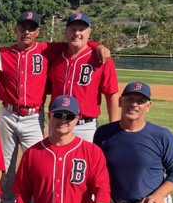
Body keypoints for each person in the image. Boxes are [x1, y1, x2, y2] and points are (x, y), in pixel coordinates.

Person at [0, 11, 110, 203]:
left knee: (40, 166)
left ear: (38, 31)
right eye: (23, 27)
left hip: (34, 115)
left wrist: (97, 45)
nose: (26, 31)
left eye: (31, 28)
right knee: (7, 166)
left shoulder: (48, 49)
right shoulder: (3, 52)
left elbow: (77, 41)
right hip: (8, 113)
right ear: (16, 29)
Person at [47, 12, 120, 142]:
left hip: (85, 127)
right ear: (66, 32)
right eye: (73, 29)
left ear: (89, 33)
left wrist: (114, 127)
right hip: (57, 123)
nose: (76, 33)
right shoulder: (56, 55)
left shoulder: (101, 58)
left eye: (81, 29)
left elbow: (111, 93)